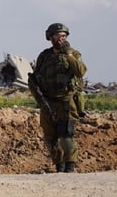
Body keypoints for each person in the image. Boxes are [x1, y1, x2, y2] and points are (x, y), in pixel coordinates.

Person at [29, 22, 88, 173]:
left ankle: (70, 166)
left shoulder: (73, 54)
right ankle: (59, 165)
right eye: (58, 36)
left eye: (64, 36)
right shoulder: (44, 56)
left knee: (66, 134)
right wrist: (40, 100)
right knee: (50, 136)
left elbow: (81, 72)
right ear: (50, 37)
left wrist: (68, 54)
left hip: (66, 101)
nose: (61, 39)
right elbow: (36, 78)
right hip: (48, 101)